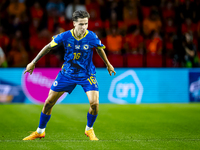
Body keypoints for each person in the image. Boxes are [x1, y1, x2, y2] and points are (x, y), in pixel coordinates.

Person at [22, 10, 116, 141]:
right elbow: (48, 47)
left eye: (86, 24)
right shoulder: (65, 36)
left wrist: (108, 64)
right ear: (74, 23)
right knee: (49, 102)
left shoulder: (92, 36)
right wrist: (33, 62)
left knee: (94, 104)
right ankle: (40, 131)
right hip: (67, 74)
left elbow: (100, 49)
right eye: (81, 24)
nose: (84, 27)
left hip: (86, 74)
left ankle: (89, 129)